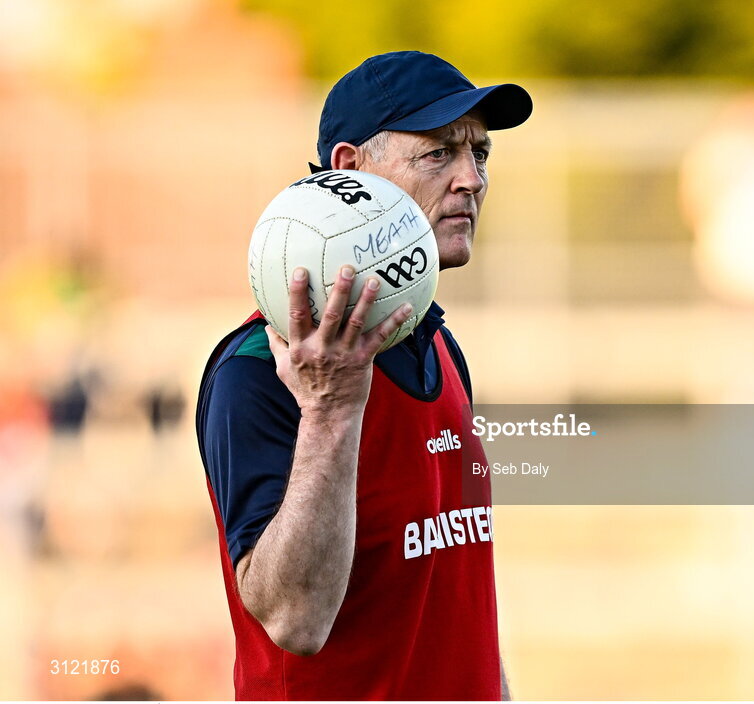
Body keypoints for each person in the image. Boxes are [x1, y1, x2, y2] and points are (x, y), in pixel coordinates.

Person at [195, 51, 532, 700]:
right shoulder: (262, 371)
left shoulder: (434, 342)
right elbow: (295, 619)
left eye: (480, 154)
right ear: (351, 170)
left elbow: (456, 604)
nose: (471, 179)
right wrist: (330, 411)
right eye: (438, 153)